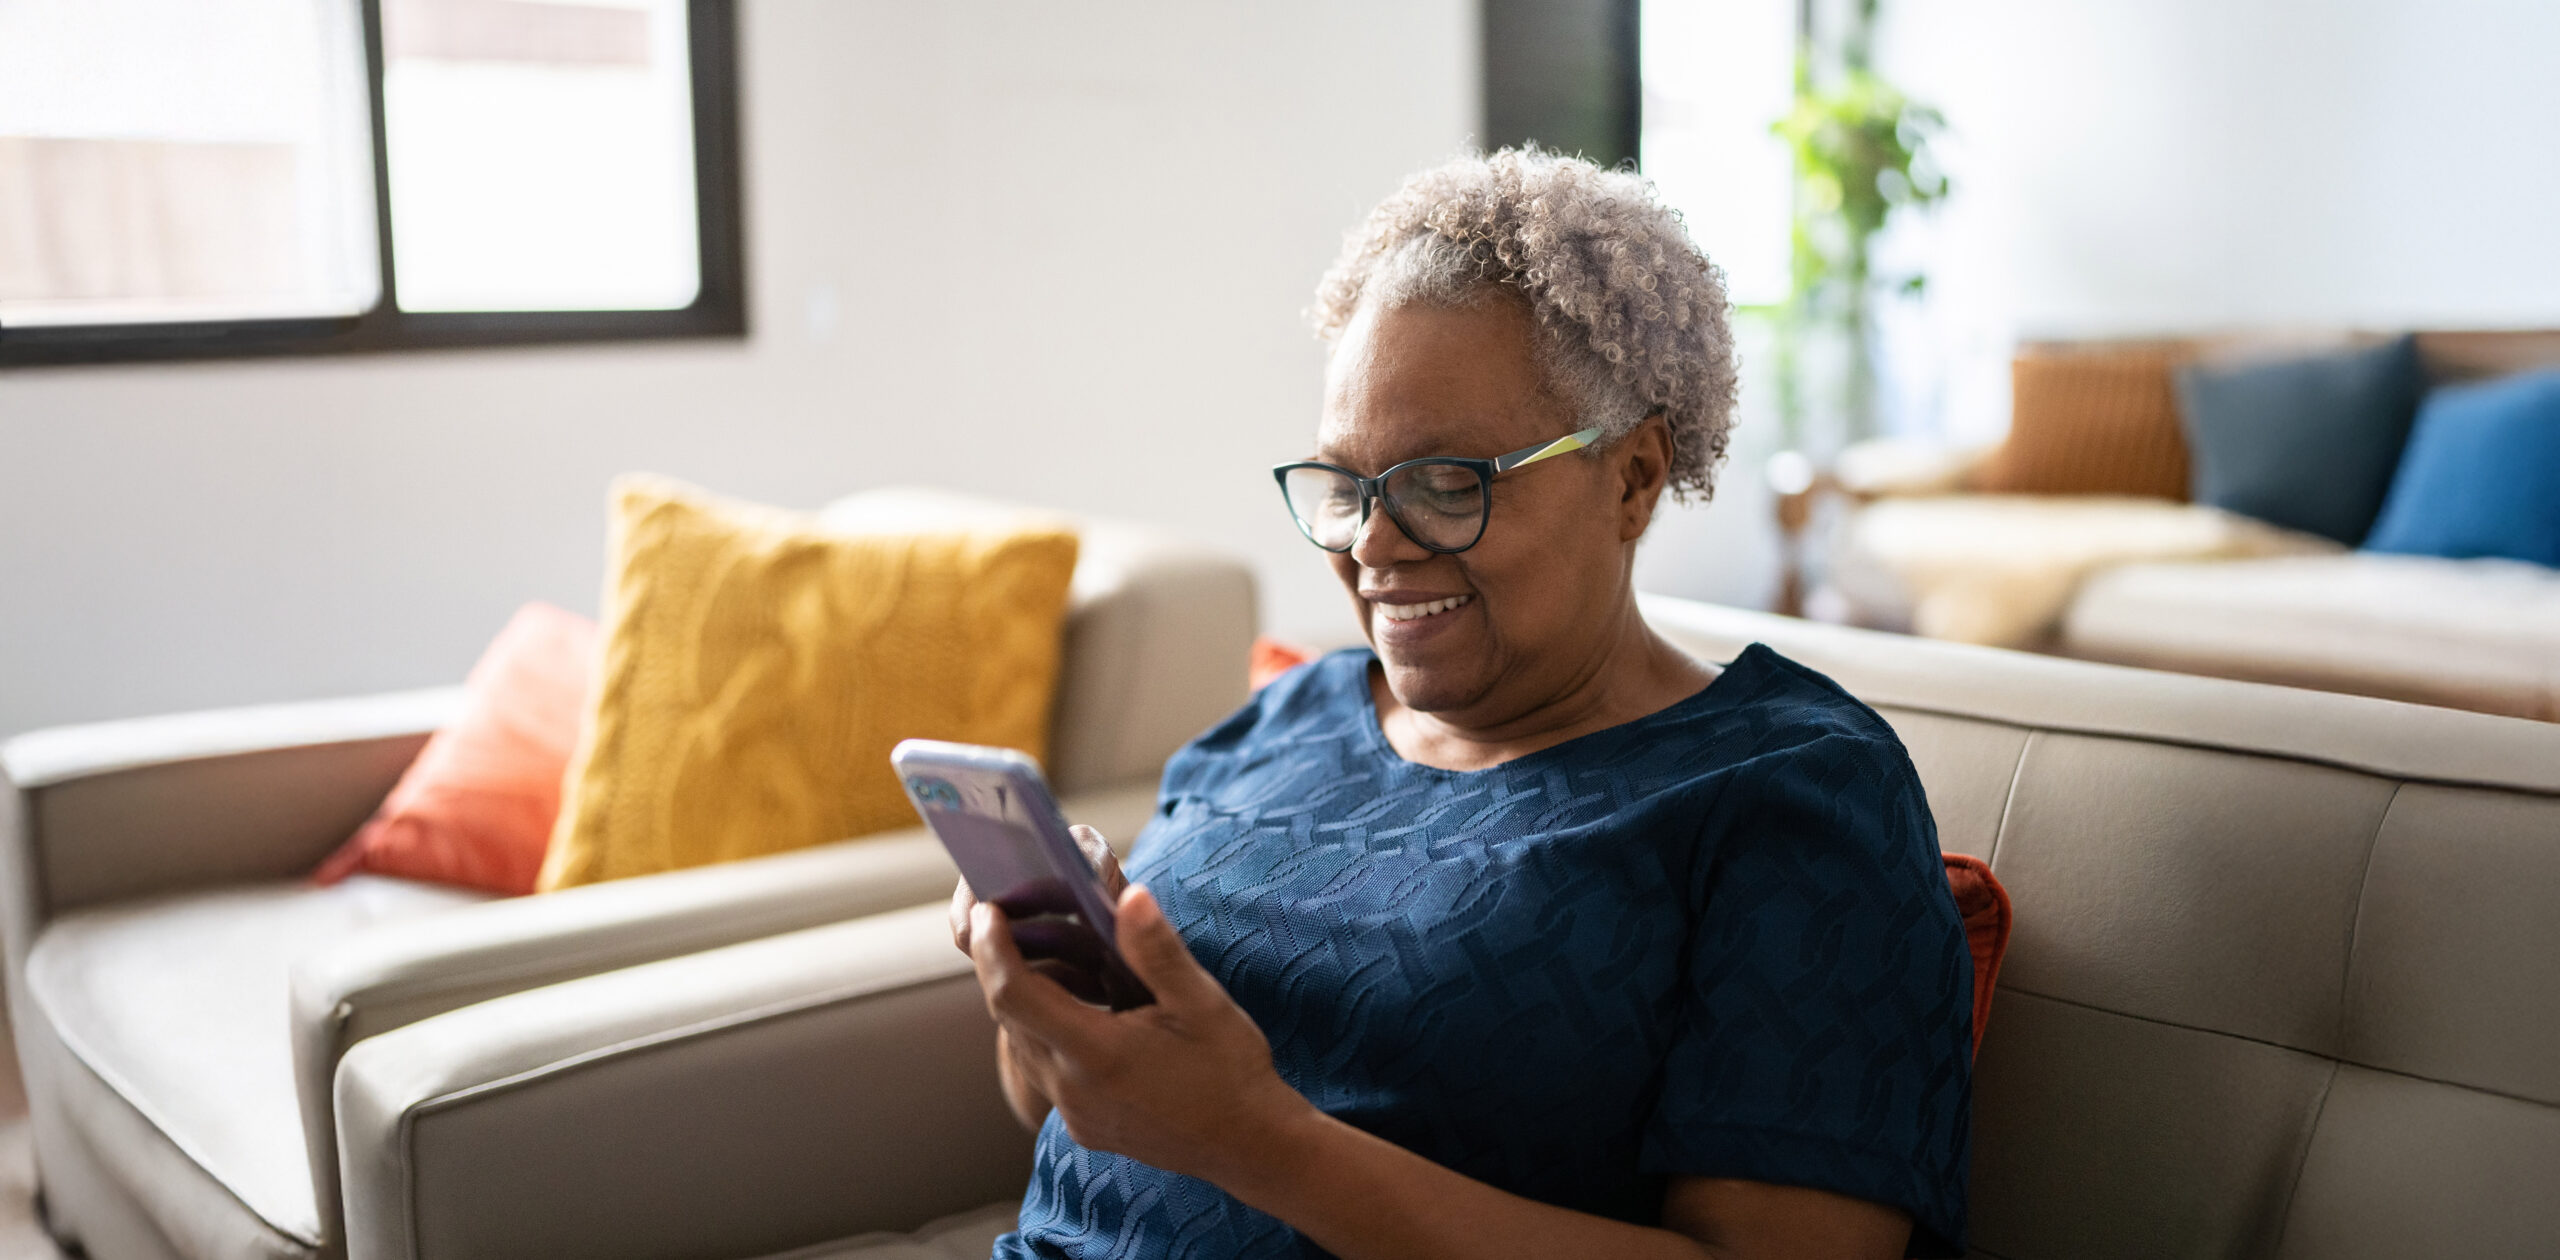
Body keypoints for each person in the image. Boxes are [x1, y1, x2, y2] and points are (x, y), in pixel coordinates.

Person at [952, 148, 1974, 1259]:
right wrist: (1055, 996)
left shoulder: (1788, 792)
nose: (1373, 544)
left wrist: (1255, 1140)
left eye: (1449, 484)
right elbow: (1068, 1121)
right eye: (1346, 485)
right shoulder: (1274, 728)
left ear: (1631, 477)